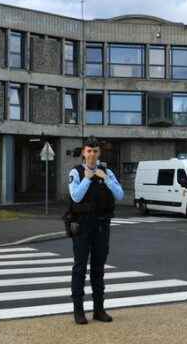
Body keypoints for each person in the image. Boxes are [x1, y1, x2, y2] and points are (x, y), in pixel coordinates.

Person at [66, 137, 124, 325]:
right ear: (84, 153)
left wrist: (105, 178)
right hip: (82, 225)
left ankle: (99, 310)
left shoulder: (107, 172)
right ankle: (79, 311)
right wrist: (87, 178)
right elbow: (75, 197)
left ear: (99, 153)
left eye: (95, 151)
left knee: (98, 268)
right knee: (80, 268)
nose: (92, 154)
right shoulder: (76, 172)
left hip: (101, 225)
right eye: (89, 151)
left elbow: (120, 194)